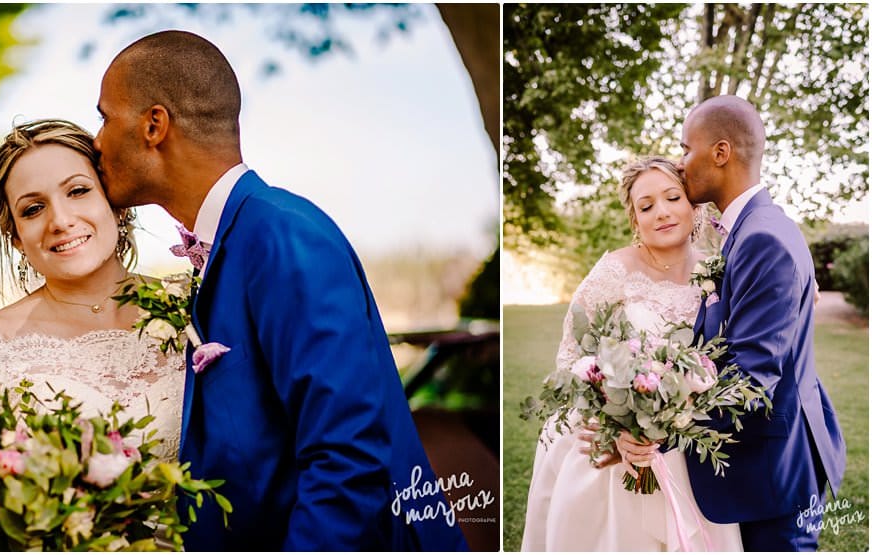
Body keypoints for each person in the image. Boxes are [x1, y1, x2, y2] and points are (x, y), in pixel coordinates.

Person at [94, 30, 468, 551]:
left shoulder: (282, 234)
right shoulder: (232, 241)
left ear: (154, 125)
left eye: (105, 117)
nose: (97, 140)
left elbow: (348, 457)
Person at [641, 94, 844, 551]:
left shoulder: (761, 239)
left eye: (685, 148)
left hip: (772, 476)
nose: (680, 161)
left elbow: (751, 380)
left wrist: (654, 426)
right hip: (775, 462)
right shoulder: (757, 229)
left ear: (720, 153)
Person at [521, 156, 744, 551]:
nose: (661, 212)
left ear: (692, 205)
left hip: (689, 447)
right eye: (646, 206)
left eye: (672, 198)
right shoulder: (614, 270)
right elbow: (574, 355)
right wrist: (614, 424)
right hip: (613, 446)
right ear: (635, 220)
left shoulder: (719, 270)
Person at [0, 119, 185, 462]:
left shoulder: (194, 308)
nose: (60, 220)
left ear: (116, 204)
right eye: (33, 209)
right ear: (17, 238)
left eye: (78, 191)